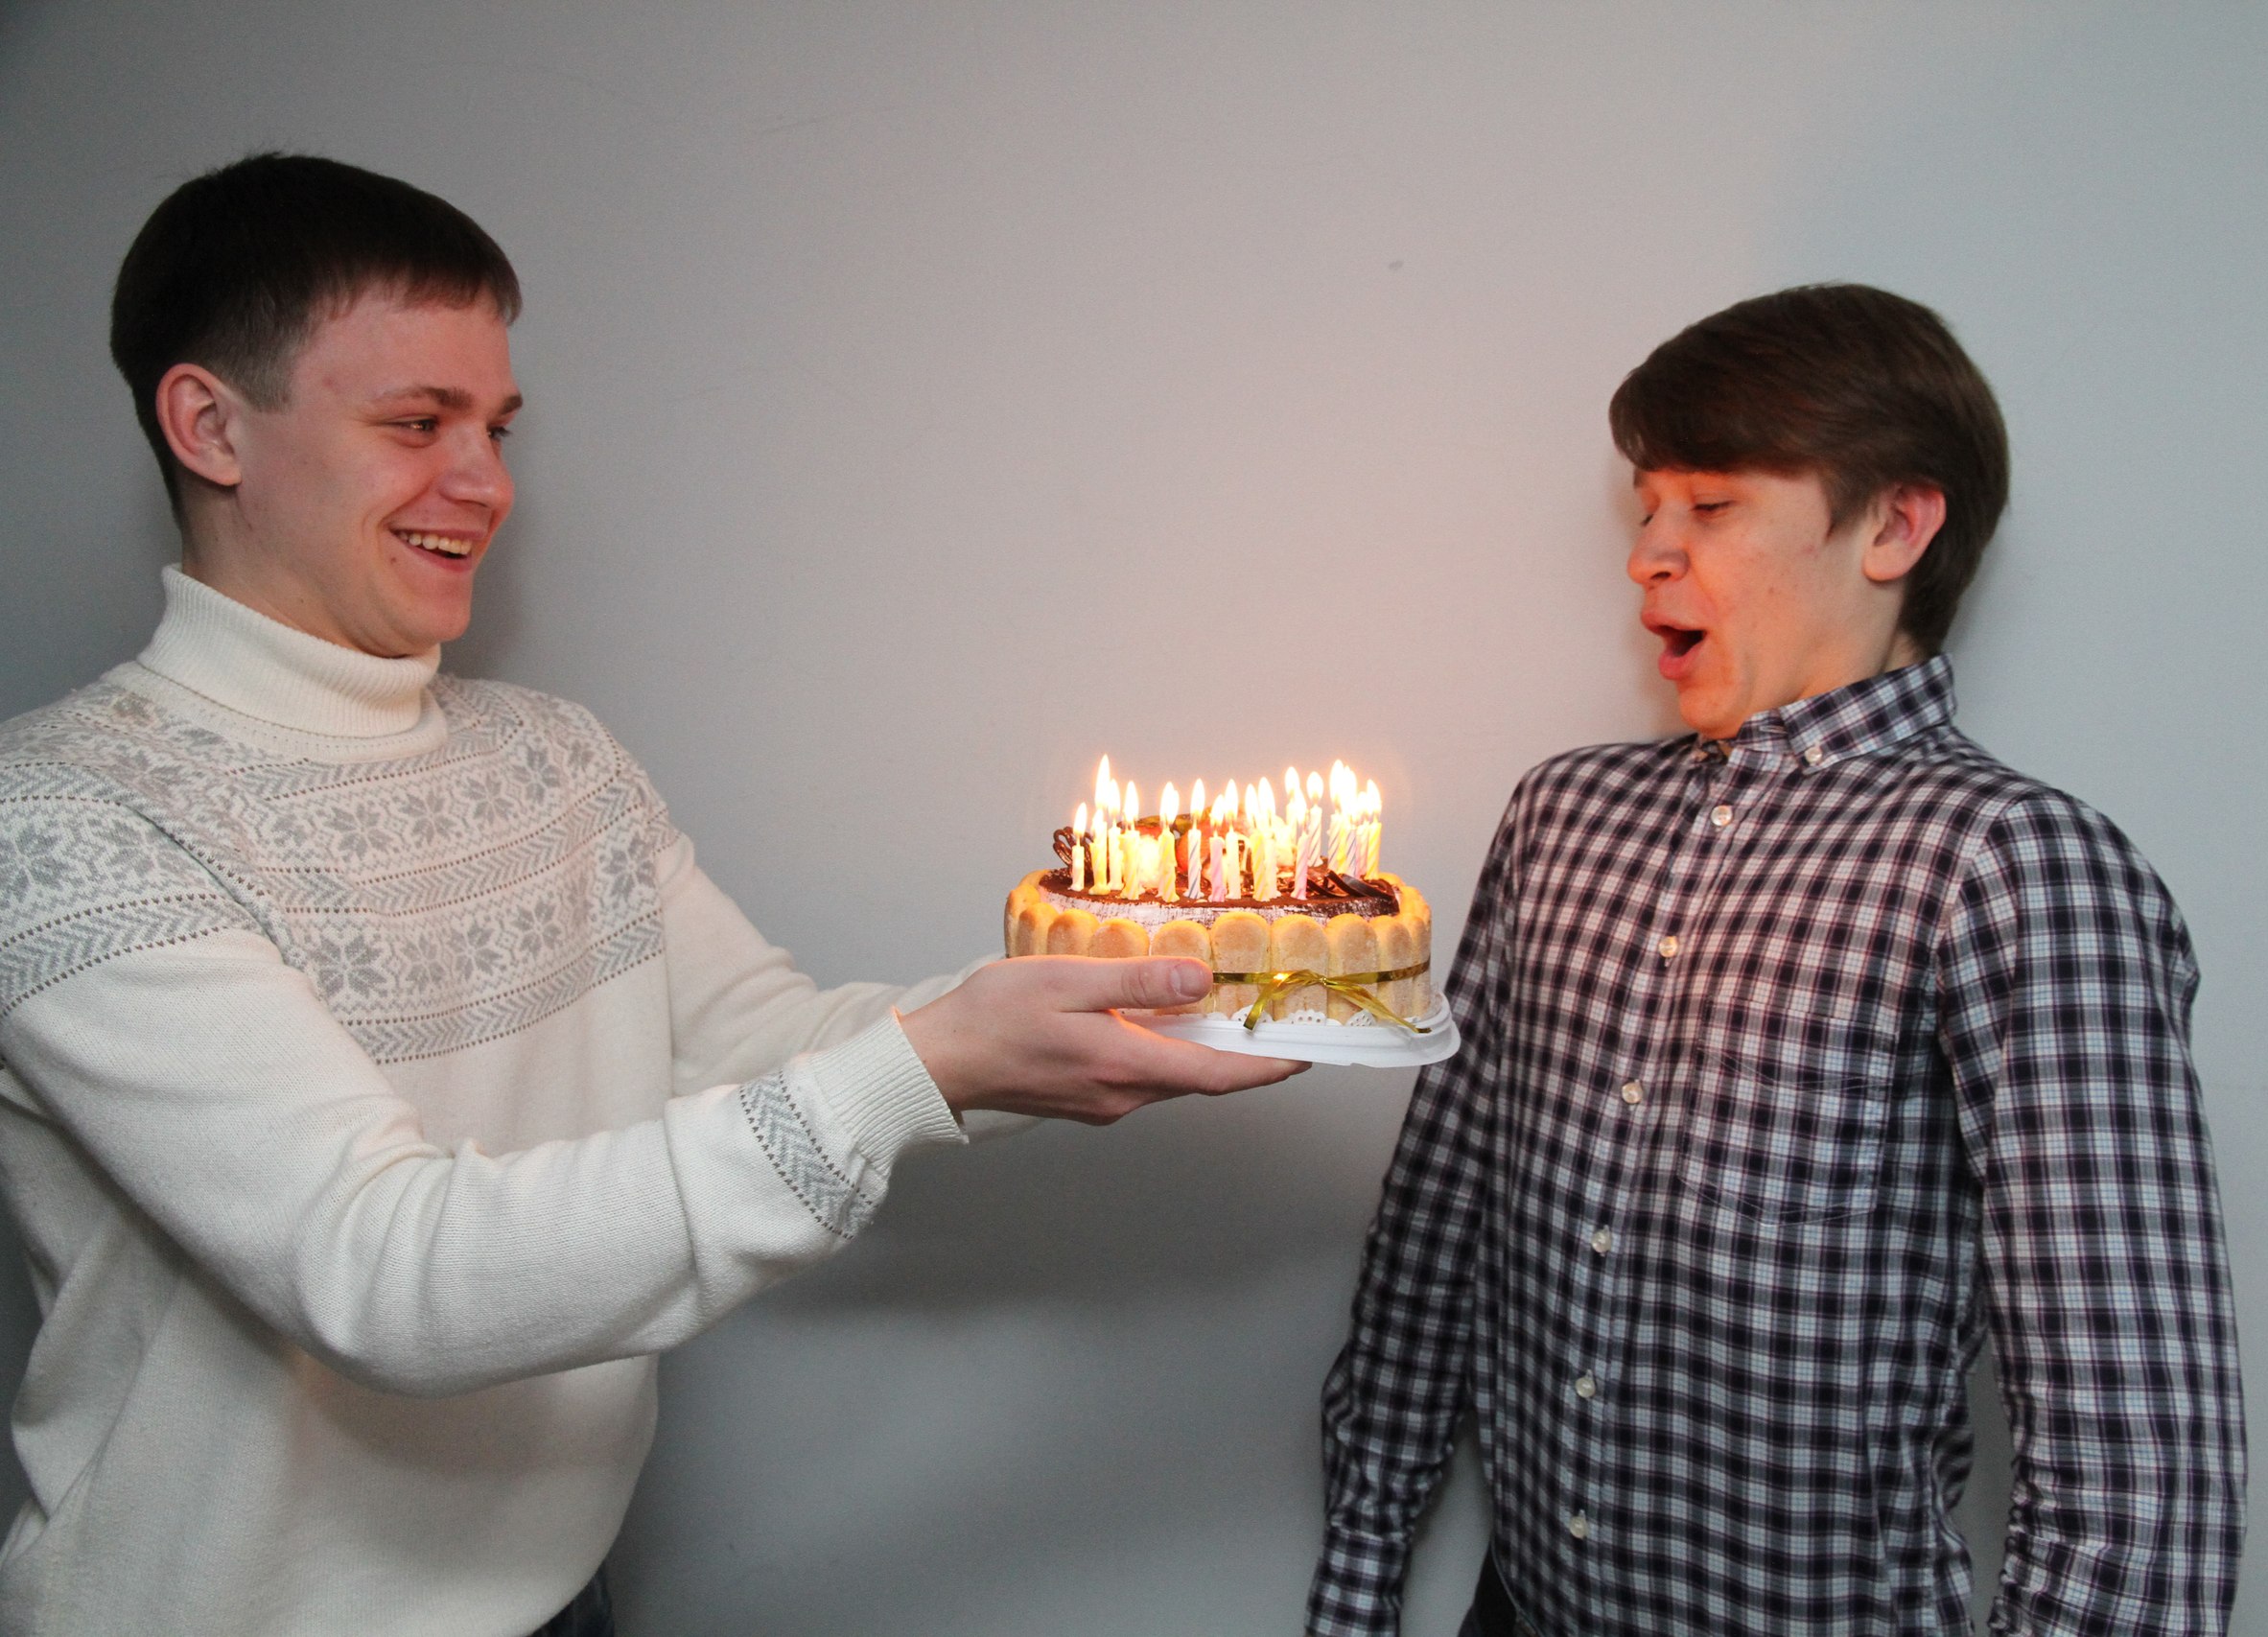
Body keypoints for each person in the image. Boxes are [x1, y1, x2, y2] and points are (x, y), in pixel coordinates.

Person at [0, 152, 1299, 1636]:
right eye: (417, 423)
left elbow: (764, 1043)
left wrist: (1105, 1005)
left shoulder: (553, 758)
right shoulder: (63, 821)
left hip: (566, 1597)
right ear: (210, 425)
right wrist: (922, 1070)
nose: (485, 483)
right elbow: (380, 1269)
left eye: (495, 427)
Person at [1308, 284, 2245, 1637]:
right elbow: (1434, 1235)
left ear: (1895, 528)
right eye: (1647, 509)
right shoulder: (1562, 816)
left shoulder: (2015, 865)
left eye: (1712, 504)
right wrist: (1358, 1587)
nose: (1649, 554)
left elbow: (2132, 1451)